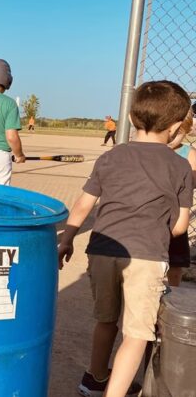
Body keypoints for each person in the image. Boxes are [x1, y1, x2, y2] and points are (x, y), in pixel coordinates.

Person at [58, 80, 192, 397]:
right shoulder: (180, 166)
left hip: (103, 250)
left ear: (131, 119)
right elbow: (179, 227)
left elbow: (83, 204)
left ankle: (95, 379)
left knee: (106, 321)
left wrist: (67, 239)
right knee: (136, 334)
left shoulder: (111, 157)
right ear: (175, 128)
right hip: (145, 257)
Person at [167, 108, 196, 286]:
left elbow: (192, 183)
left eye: (179, 133)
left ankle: (173, 293)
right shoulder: (150, 151)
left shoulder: (188, 153)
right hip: (149, 217)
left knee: (175, 263)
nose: (172, 137)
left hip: (176, 216)